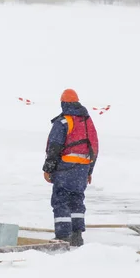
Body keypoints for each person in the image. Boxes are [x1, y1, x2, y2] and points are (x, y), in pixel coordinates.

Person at [42, 88, 99, 247]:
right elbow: (94, 147)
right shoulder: (88, 122)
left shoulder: (64, 121)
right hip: (82, 169)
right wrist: (89, 170)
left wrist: (48, 168)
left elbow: (54, 146)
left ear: (63, 103)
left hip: (65, 168)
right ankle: (77, 235)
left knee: (61, 200)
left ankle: (63, 236)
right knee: (77, 201)